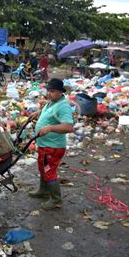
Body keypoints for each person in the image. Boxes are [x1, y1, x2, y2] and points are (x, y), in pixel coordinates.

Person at [28, 78, 74, 210]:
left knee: (49, 171)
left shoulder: (63, 106)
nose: (49, 93)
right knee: (43, 168)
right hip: (45, 145)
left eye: (52, 91)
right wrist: (37, 113)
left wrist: (50, 128)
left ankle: (56, 200)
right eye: (48, 90)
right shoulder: (52, 102)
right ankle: (43, 191)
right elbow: (48, 112)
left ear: (60, 92)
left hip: (53, 148)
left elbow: (68, 127)